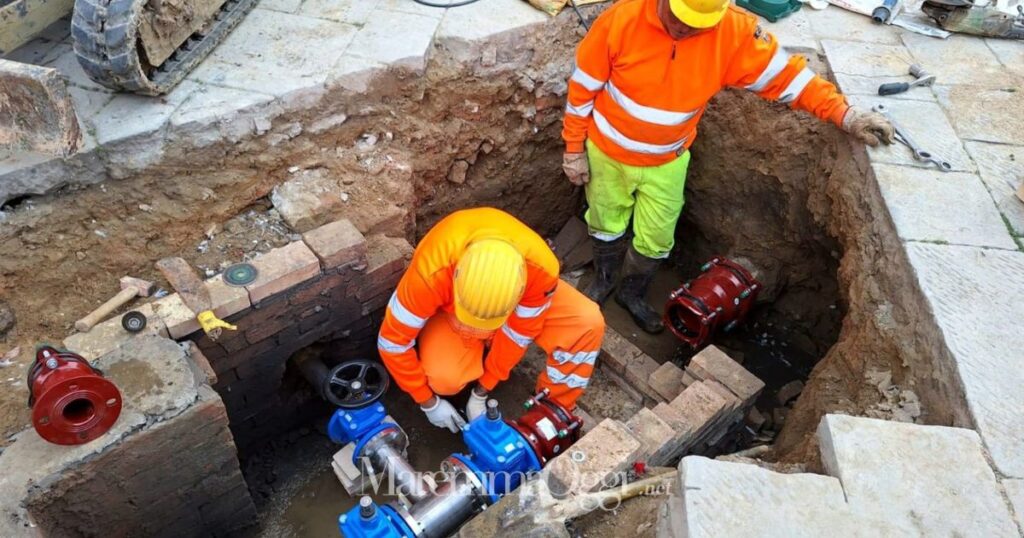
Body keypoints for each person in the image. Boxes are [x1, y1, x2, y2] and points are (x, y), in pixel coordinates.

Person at [562, 0, 895, 334]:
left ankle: (630, 293)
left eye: (697, 24)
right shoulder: (621, 21)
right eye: (678, 17)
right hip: (607, 153)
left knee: (657, 238)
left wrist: (845, 114)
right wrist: (574, 150)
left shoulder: (733, 33)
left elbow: (789, 78)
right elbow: (581, 92)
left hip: (667, 162)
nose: (684, 28)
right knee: (605, 223)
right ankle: (604, 281)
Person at [377, 207, 605, 432]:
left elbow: (518, 335)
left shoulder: (540, 271)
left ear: (520, 289)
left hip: (523, 300)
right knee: (444, 380)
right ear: (456, 277)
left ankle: (551, 414)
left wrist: (482, 390)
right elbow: (392, 342)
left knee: (586, 324)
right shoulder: (430, 274)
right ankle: (472, 346)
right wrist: (428, 402)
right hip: (451, 317)